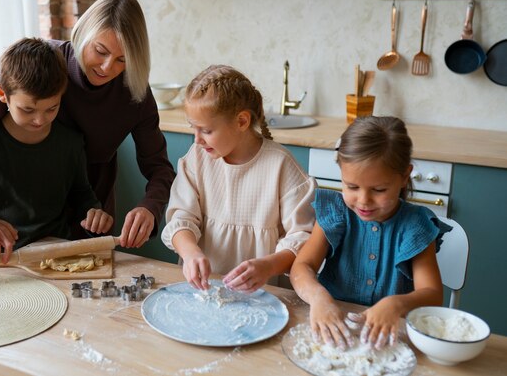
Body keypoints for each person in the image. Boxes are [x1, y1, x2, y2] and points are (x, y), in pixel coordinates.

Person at [0, 0, 175, 253]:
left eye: (122, 60)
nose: (107, 67)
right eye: (100, 51)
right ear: (83, 34)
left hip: (90, 210)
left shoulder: (135, 91)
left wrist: (150, 207)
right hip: (27, 210)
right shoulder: (45, 64)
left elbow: (160, 168)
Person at [0, 37, 113, 271]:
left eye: (52, 108)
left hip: (54, 264)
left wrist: (93, 212)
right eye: (27, 109)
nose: (40, 120)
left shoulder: (70, 142)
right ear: (2, 94)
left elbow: (81, 194)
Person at [289, 116, 452, 351]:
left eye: (379, 190)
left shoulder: (415, 225)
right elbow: (301, 267)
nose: (363, 201)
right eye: (352, 187)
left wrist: (396, 305)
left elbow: (432, 295)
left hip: (390, 338)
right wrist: (318, 298)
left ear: (405, 176)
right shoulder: (335, 212)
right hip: (332, 326)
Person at [161, 65, 316, 293]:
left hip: (262, 294)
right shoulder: (197, 160)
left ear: (242, 121)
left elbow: (303, 239)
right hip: (204, 289)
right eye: (193, 128)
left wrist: (267, 266)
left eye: (206, 130)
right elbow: (181, 217)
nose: (197, 140)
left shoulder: (281, 166)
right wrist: (190, 252)